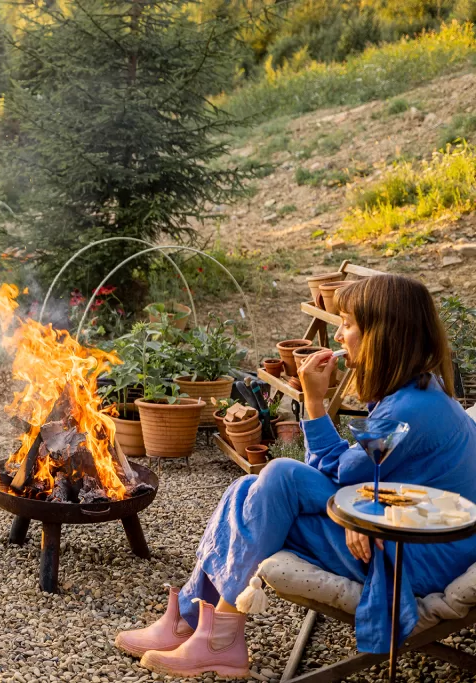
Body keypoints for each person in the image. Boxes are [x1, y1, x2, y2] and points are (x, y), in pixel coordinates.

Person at [114, 274, 476, 679]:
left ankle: (213, 635)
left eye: (348, 324)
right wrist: (362, 498)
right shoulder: (419, 393)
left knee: (279, 478)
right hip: (411, 532)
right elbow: (354, 477)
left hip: (419, 555)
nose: (339, 335)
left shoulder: (407, 411)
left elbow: (335, 472)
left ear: (382, 335)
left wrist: (315, 402)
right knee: (250, 487)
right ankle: (196, 624)